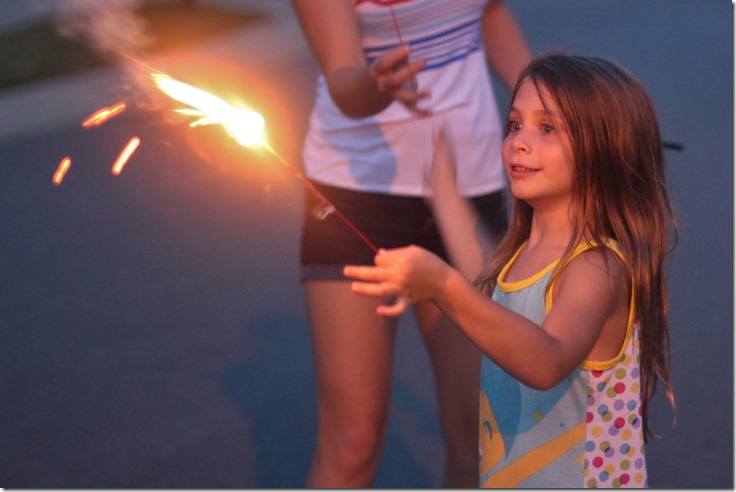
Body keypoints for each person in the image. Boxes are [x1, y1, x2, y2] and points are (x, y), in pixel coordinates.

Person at [345, 52, 677, 488]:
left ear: (605, 150)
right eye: (515, 124)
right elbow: (487, 283)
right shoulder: (523, 253)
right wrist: (438, 179)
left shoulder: (597, 266)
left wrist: (442, 286)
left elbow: (547, 360)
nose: (519, 141)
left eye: (548, 128)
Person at [291, 0, 531, 487]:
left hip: (466, 186)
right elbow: (343, 80)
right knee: (353, 443)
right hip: (356, 195)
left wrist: (556, 100)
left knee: (479, 437)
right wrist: (375, 86)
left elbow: (489, 13)